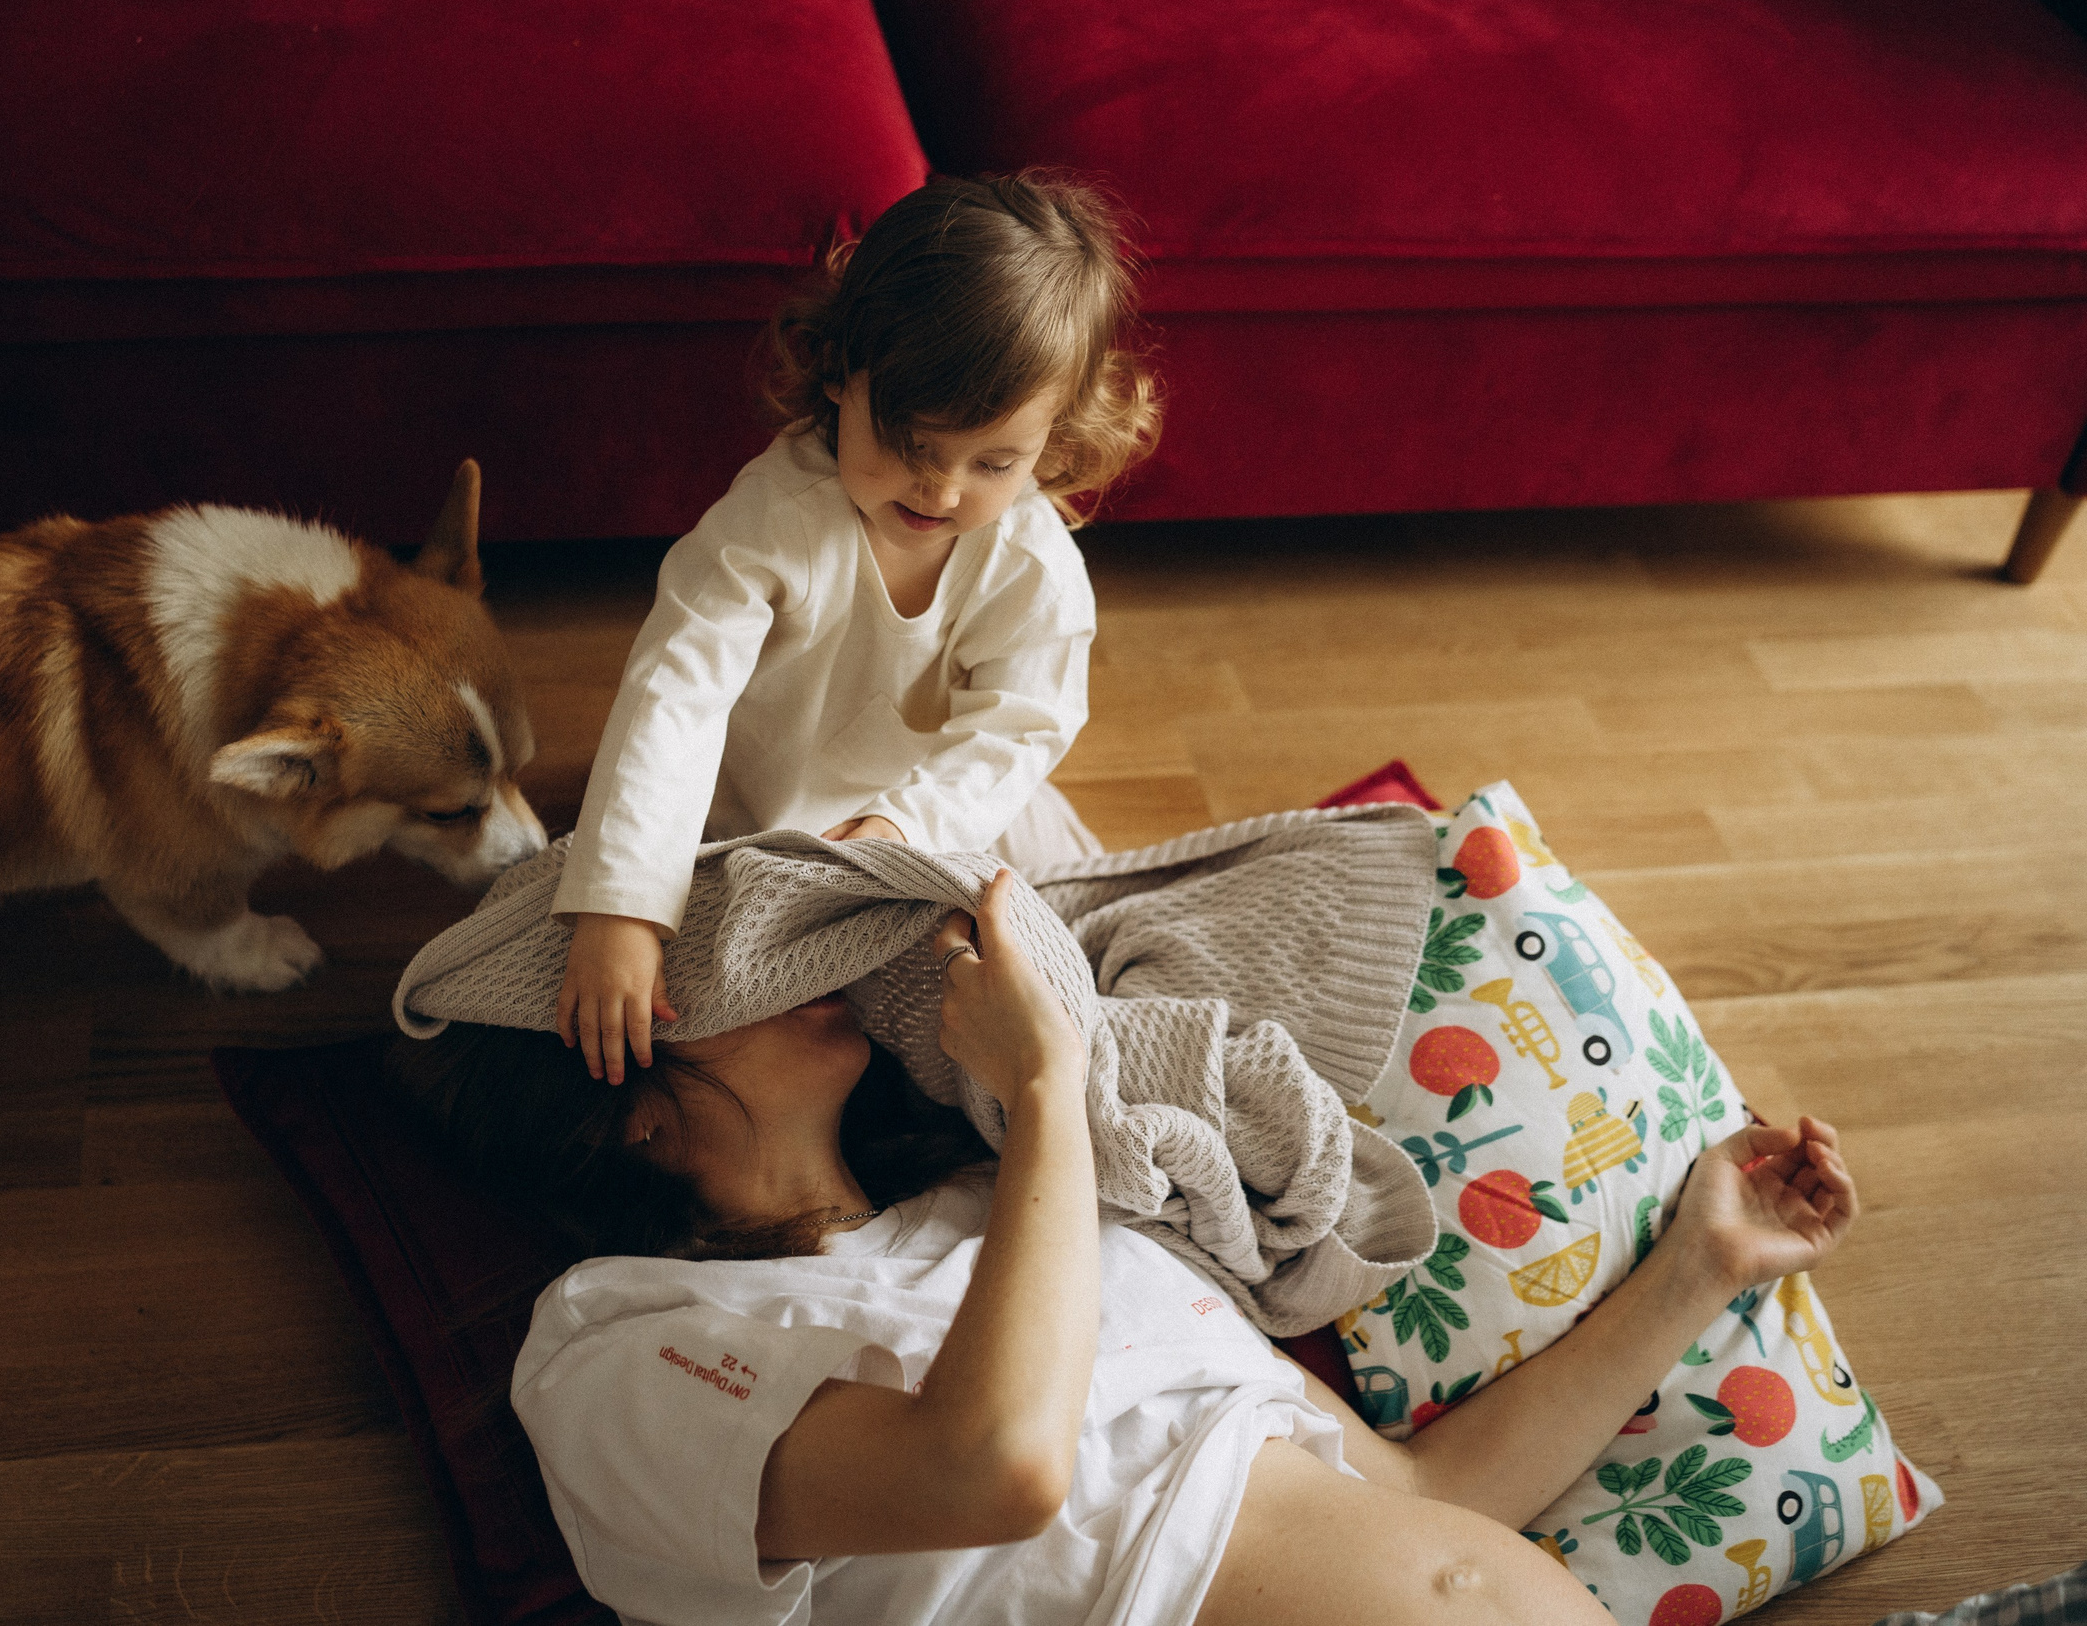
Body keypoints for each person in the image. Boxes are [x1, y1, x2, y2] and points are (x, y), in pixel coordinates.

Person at [395, 871, 1861, 1626]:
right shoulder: (605, 1344)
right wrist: (1043, 1090)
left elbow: (1420, 1490)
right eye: (720, 960)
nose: (792, 949)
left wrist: (1704, 1265)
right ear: (617, 1102)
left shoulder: (1018, 1207)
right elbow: (989, 1468)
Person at [551, 172, 1160, 1084]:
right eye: (911, 444)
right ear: (840, 374)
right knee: (714, 991)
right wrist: (623, 907)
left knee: (1071, 909)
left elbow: (1020, 725)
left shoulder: (1029, 557)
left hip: (946, 804)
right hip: (761, 815)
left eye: (994, 461)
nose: (943, 491)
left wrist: (905, 821)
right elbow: (676, 693)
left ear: (1054, 441)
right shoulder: (773, 520)